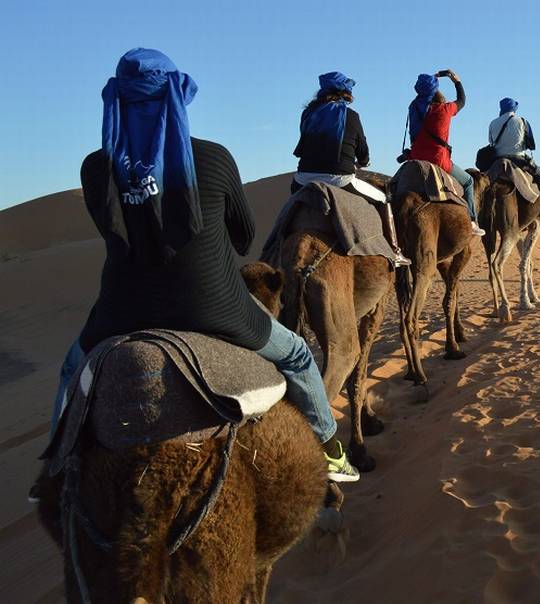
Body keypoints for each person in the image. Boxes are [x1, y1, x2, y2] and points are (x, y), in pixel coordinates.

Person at [38, 49, 359, 501]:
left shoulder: (96, 167)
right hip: (215, 307)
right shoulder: (214, 156)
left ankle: (53, 471)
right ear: (177, 96)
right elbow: (244, 237)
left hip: (120, 312)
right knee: (299, 356)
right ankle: (330, 450)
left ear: (115, 102)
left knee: (73, 369)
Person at [293, 71, 410, 266]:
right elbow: (362, 149)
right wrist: (363, 162)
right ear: (344, 92)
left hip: (304, 179)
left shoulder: (308, 114)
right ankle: (395, 250)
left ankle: (272, 248)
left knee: (290, 208)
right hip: (340, 179)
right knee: (383, 199)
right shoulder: (351, 116)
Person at [407, 70, 485, 236]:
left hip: (415, 158)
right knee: (469, 182)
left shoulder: (413, 107)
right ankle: (472, 221)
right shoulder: (445, 109)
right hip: (438, 160)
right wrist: (456, 81)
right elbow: (462, 100)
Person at [488, 97, 540, 209]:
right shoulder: (522, 121)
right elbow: (530, 143)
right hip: (518, 159)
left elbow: (491, 142)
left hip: (496, 159)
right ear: (514, 109)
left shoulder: (493, 123)